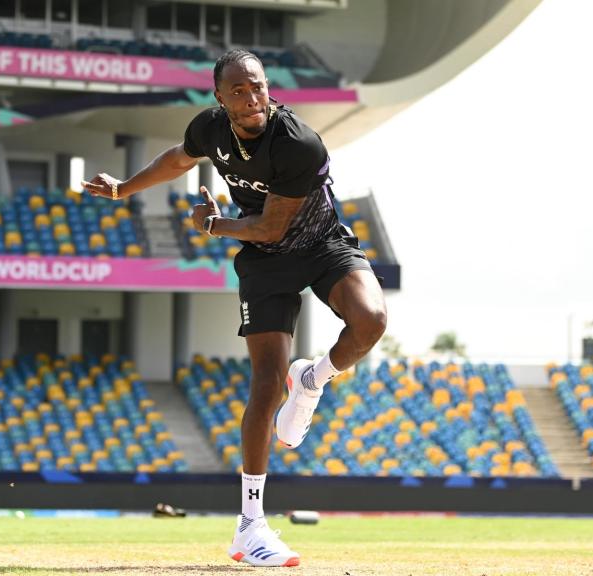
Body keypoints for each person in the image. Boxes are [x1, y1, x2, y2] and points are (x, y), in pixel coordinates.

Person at [82, 48, 387, 567]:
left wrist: (213, 226)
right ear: (219, 97)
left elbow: (273, 225)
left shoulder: (298, 145)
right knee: (266, 384)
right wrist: (124, 189)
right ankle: (251, 527)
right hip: (266, 264)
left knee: (372, 321)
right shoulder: (210, 128)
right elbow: (179, 158)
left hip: (319, 245)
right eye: (239, 91)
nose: (252, 99)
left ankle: (312, 380)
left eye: (259, 87)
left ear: (269, 89)